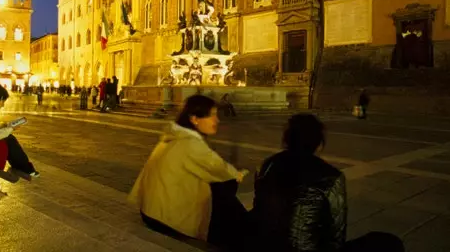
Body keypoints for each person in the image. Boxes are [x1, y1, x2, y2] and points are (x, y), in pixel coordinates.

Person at [251, 113, 404, 252]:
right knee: (388, 243)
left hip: (263, 246)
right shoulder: (331, 176)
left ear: (287, 139)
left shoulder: (268, 165)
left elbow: (259, 212)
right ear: (318, 143)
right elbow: (336, 234)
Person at [128, 95, 250, 249]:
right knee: (224, 191)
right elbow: (222, 171)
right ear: (194, 119)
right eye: (212, 115)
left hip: (152, 211)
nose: (216, 120)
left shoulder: (174, 136)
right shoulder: (190, 144)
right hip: (165, 219)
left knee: (217, 188)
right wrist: (239, 174)